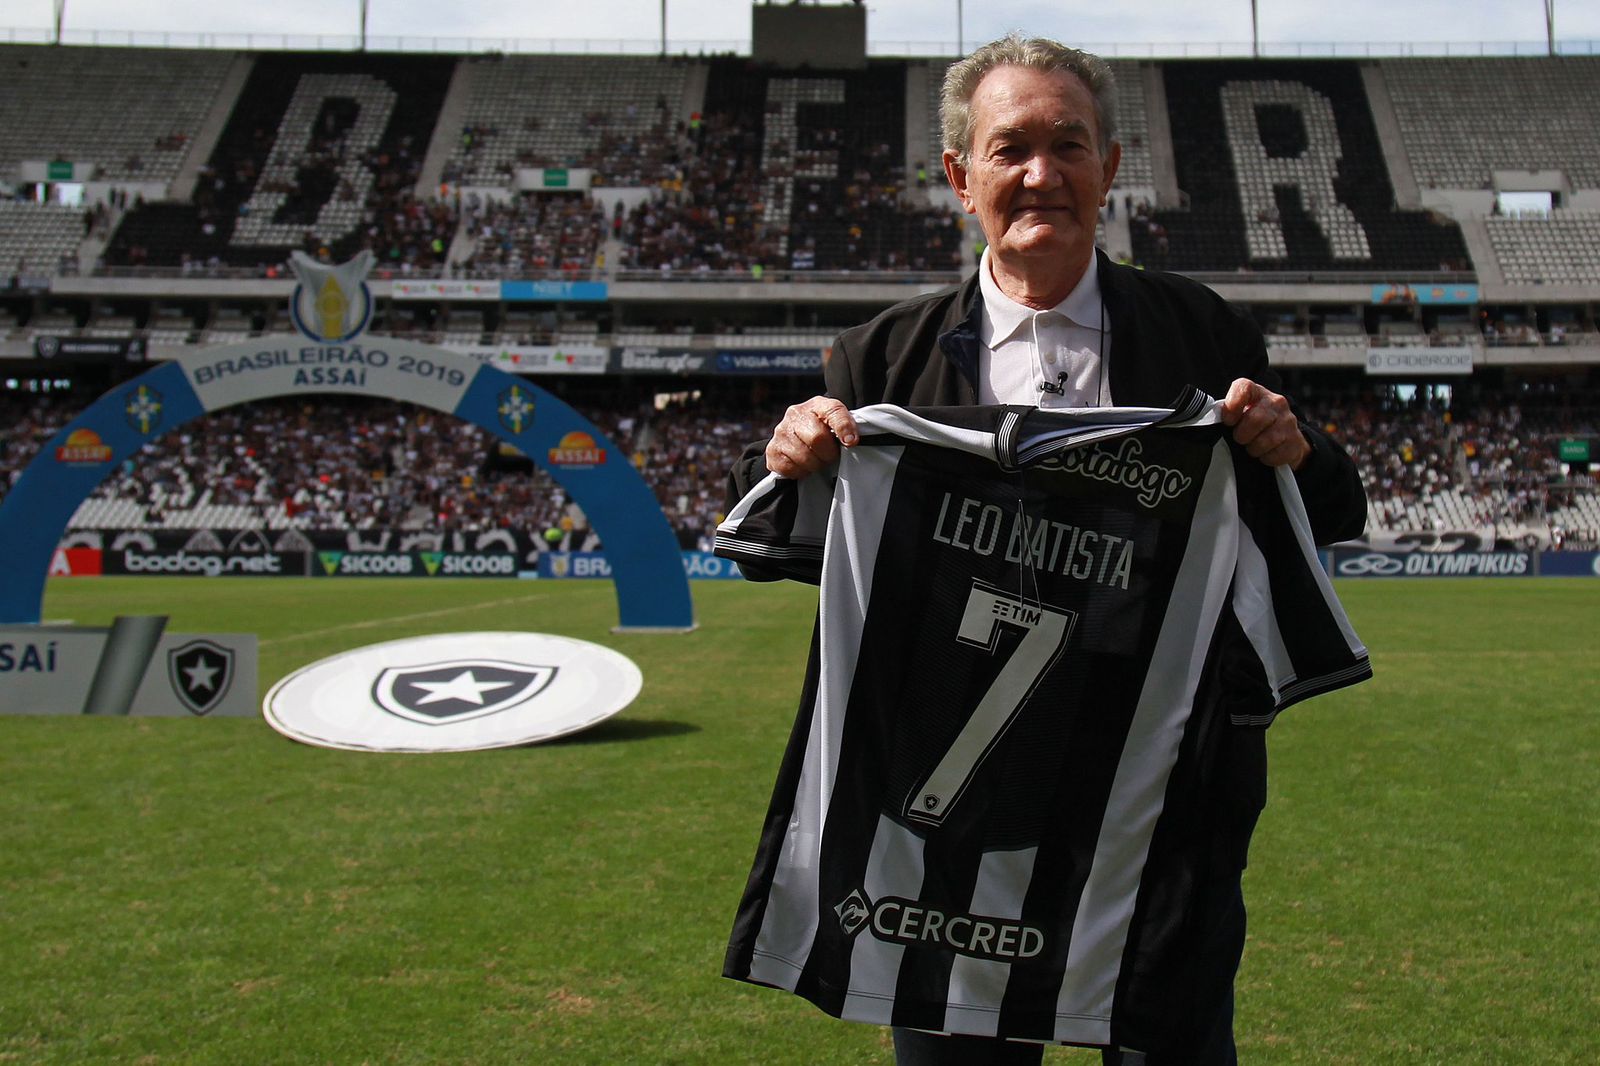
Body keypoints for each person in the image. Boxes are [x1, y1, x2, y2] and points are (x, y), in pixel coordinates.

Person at [727, 33, 1365, 1066]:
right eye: (1008, 147)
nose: (1040, 174)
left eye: (1069, 145)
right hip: (949, 807)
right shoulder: (879, 356)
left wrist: (1296, 448)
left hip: (1164, 798)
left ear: (1108, 169)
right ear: (958, 176)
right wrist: (791, 453)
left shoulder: (1200, 330)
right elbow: (773, 542)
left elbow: (1329, 509)